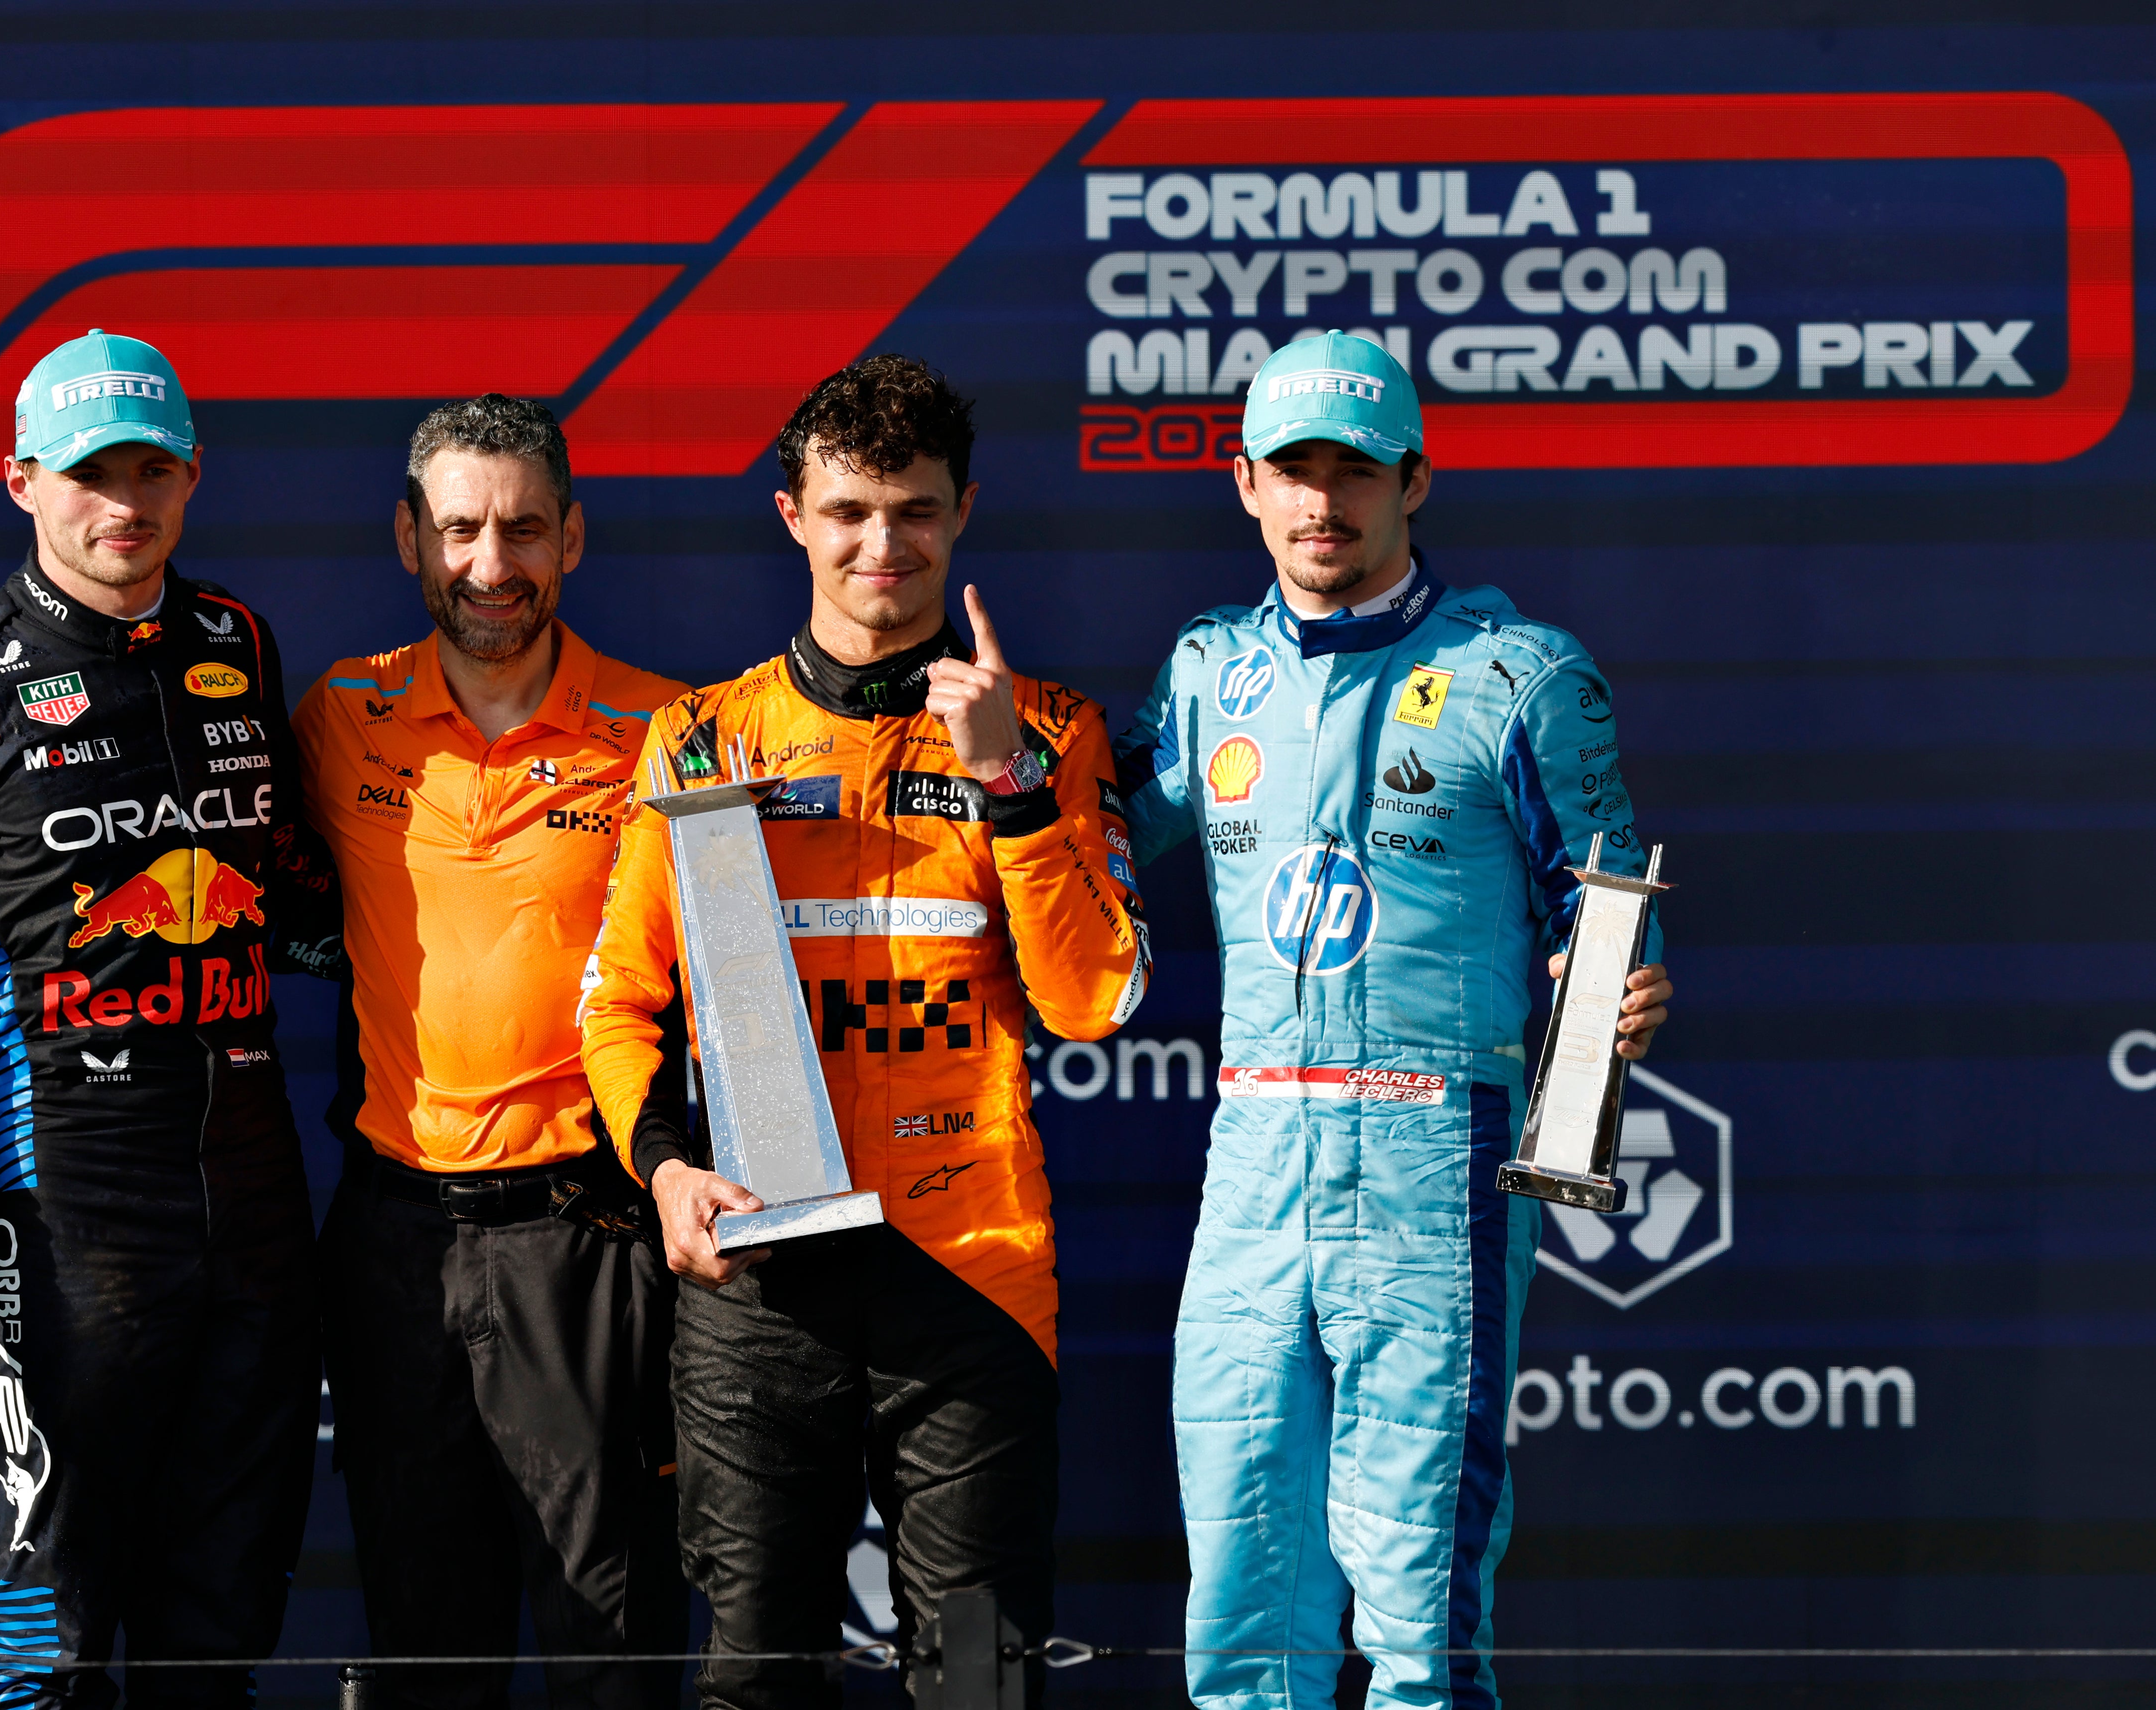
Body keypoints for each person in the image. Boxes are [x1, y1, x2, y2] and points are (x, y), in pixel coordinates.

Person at [579, 354, 1151, 1710]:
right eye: (848, 511)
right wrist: (664, 1172)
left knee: (974, 1688)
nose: (881, 543)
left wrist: (1007, 779)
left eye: (914, 511)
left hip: (972, 1271)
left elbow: (1093, 1001)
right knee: (755, 1680)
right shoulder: (699, 740)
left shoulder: (1051, 729)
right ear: (792, 513)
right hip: (759, 1282)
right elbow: (618, 1007)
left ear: (959, 518)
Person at [1115, 332, 1676, 1710]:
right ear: (1244, 483)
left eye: (1355, 472)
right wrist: (1007, 766)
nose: (1324, 503)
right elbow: (1094, 854)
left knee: (1419, 1612)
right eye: (1295, 472)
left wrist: (1619, 995)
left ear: (1413, 479)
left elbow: (1607, 914)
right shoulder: (1204, 676)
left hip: (1437, 1162)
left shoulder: (1523, 671)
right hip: (1252, 1147)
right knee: (1244, 1604)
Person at [0, 330, 319, 1706]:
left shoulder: (236, 644)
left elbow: (296, 896)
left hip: (255, 1202)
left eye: (151, 469)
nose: (124, 504)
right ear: (21, 479)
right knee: (45, 1626)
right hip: (67, 1211)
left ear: (194, 475)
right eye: (92, 473)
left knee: (220, 1628)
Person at [290, 396, 690, 1710]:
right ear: (410, 537)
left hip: (584, 1235)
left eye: (523, 527)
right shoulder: (339, 716)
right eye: (460, 527)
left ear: (572, 536)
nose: (491, 561)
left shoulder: (664, 731)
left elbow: (733, 1001)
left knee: (610, 1645)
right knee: (423, 1641)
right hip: (393, 1240)